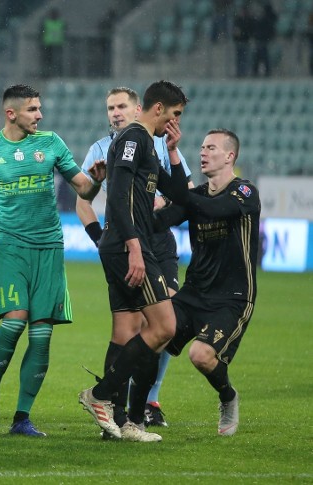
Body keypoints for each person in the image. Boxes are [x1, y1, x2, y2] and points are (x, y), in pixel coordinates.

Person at [0, 84, 104, 438]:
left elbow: (84, 189)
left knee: (41, 335)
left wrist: (96, 181)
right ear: (11, 113)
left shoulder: (51, 144)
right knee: (14, 321)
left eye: (39, 108)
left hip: (49, 246)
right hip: (10, 245)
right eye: (33, 109)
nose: (40, 115)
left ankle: (22, 417)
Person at [75, 86, 194, 432]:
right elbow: (119, 199)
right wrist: (134, 247)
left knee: (128, 330)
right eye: (175, 114)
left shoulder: (148, 142)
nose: (176, 121)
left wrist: (172, 152)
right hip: (129, 245)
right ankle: (103, 396)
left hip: (134, 243)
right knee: (164, 326)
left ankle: (123, 419)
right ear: (158, 108)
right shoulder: (132, 138)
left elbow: (179, 195)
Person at [154, 129, 259, 436]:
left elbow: (216, 209)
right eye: (200, 147)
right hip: (194, 293)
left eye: (210, 147)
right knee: (151, 336)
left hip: (233, 296)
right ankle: (133, 412)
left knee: (200, 355)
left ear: (230, 156)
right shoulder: (197, 195)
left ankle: (227, 396)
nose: (202, 152)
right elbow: (163, 221)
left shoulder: (245, 192)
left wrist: (175, 189)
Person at [40, 8, 65, 78]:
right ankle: (48, 74)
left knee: (56, 61)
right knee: (48, 61)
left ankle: (57, 74)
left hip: (57, 44)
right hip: (49, 44)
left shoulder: (60, 23)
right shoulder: (47, 22)